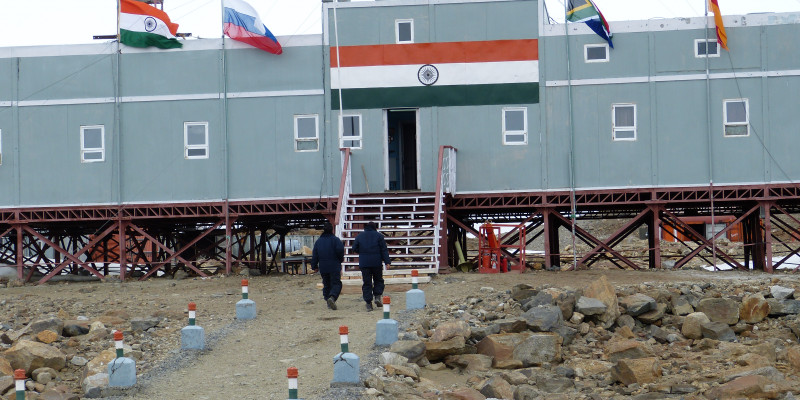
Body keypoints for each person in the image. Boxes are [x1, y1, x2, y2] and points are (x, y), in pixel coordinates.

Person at [352, 221, 391, 311]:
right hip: (376, 262)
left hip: (364, 263)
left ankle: (368, 303)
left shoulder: (359, 236)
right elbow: (384, 250)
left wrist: (362, 252)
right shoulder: (379, 236)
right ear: (374, 227)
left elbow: (354, 248)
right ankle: (377, 297)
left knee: (367, 283)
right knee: (378, 280)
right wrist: (387, 262)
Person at [311, 221, 344, 310]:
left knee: (326, 284)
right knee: (336, 283)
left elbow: (315, 254)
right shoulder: (336, 240)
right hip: (334, 265)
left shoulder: (318, 242)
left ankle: (328, 301)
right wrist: (340, 261)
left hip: (323, 266)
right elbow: (340, 251)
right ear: (332, 230)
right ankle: (332, 297)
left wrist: (314, 266)